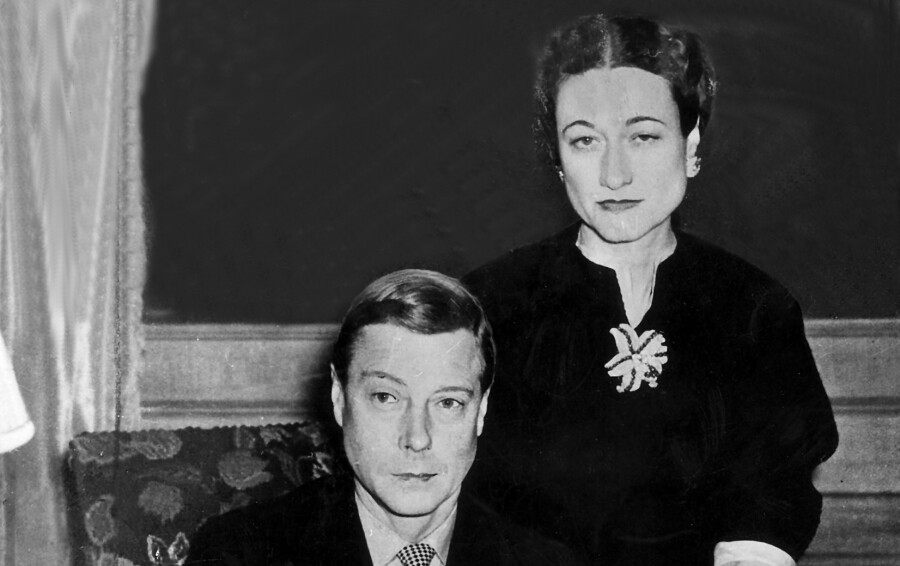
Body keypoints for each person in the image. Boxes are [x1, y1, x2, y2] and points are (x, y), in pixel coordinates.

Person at [463, 14, 839, 566]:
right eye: (585, 141)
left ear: (690, 145)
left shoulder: (755, 308)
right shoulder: (489, 305)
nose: (614, 174)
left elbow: (772, 499)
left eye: (642, 136)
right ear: (558, 160)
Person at [186, 269, 578, 566]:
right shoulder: (242, 552)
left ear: (482, 411)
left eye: (448, 403)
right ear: (339, 398)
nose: (417, 438)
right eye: (386, 397)